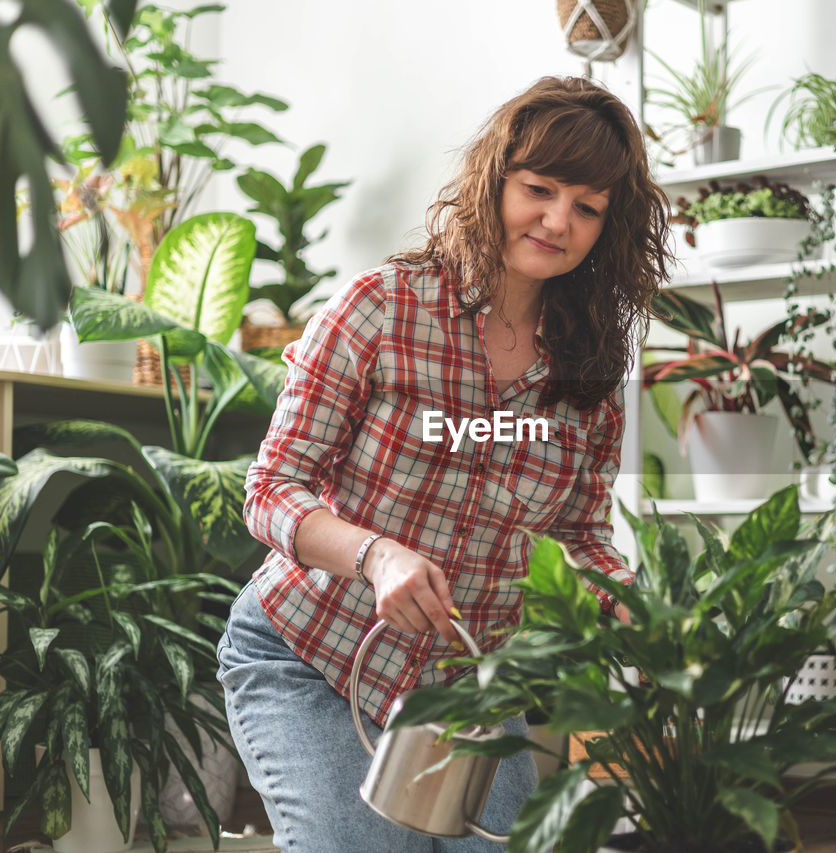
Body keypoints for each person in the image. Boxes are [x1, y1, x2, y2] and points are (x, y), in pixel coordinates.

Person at [216, 75, 672, 852]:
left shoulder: (590, 366)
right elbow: (270, 489)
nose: (558, 220)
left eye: (588, 207)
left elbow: (580, 534)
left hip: (465, 689)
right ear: (496, 179)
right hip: (313, 661)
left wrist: (631, 606)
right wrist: (376, 554)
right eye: (540, 188)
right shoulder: (380, 307)